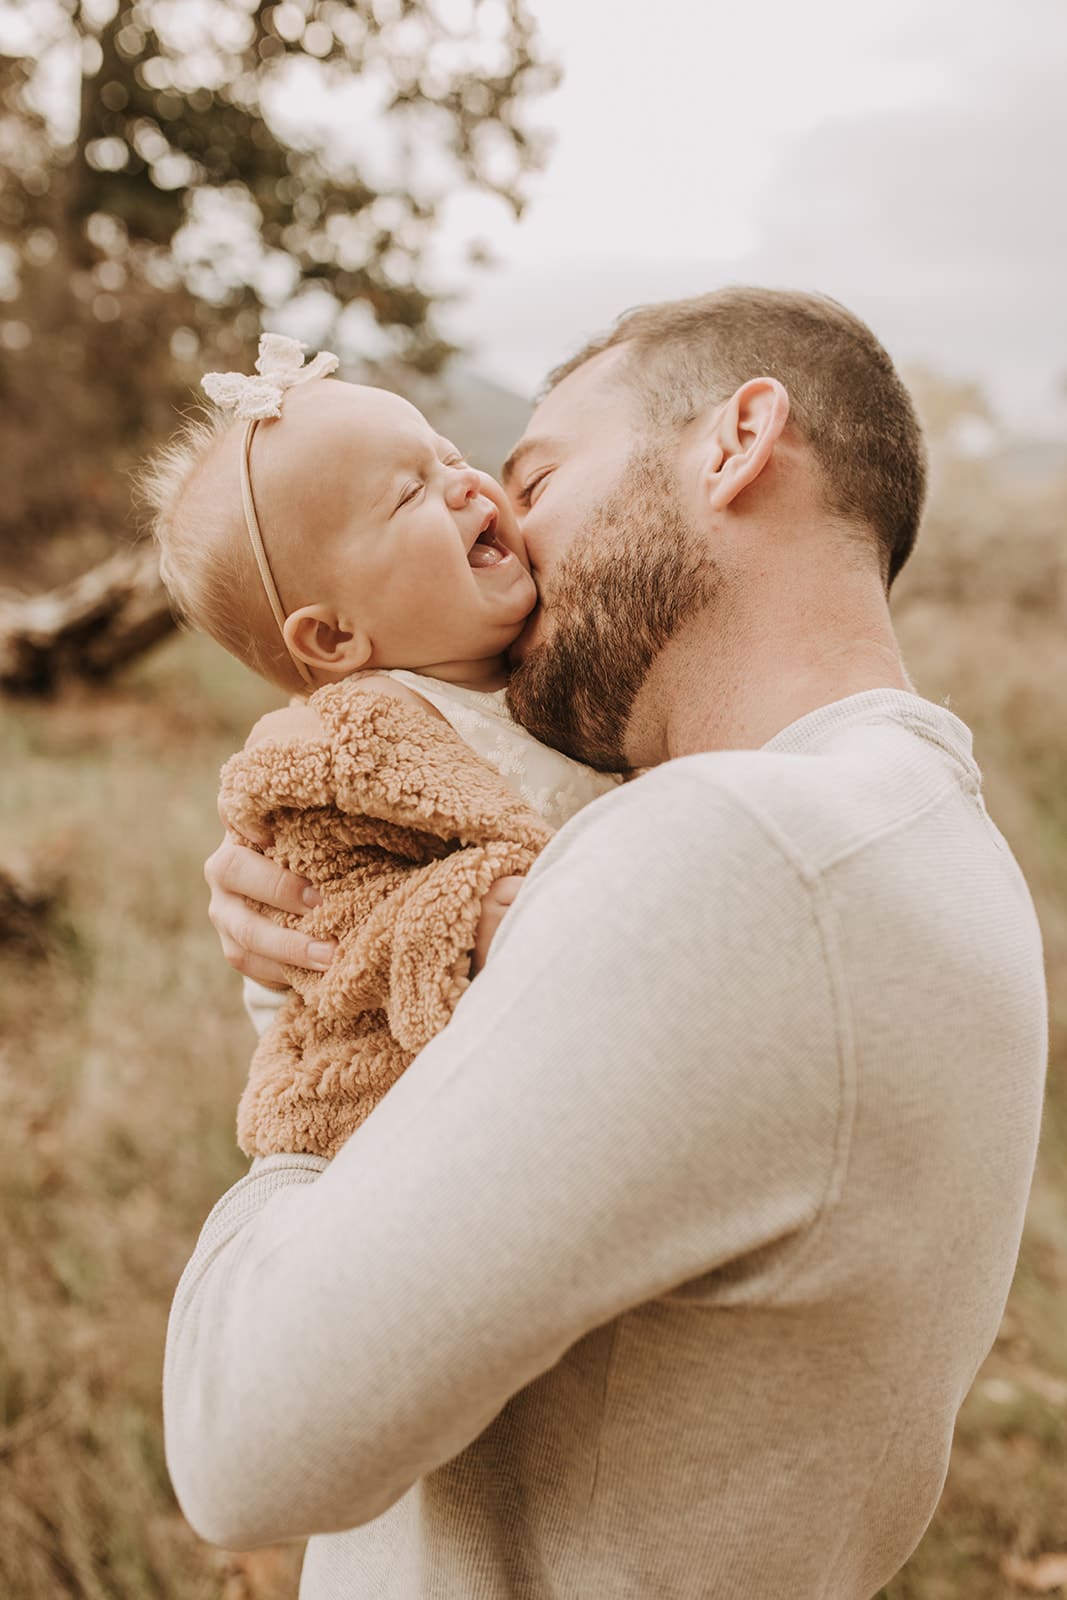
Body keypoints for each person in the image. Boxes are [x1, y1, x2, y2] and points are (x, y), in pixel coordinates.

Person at [164, 287, 1048, 1599]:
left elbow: (240, 1444)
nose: (501, 517)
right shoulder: (916, 834)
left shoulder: (730, 854)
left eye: (534, 473)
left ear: (734, 443)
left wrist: (300, 1055)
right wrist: (338, 906)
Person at [142, 333, 618, 1155]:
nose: (468, 483)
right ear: (332, 637)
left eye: (448, 455)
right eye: (410, 496)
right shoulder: (342, 746)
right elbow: (331, 906)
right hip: (419, 1108)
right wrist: (454, 915)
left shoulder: (558, 648)